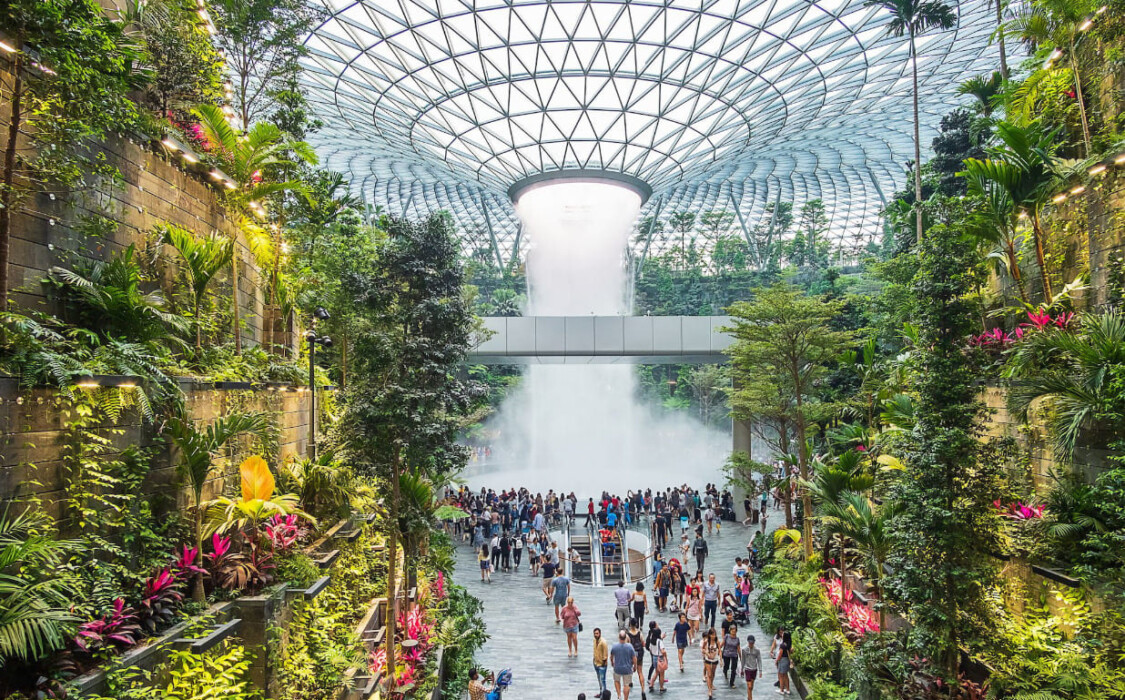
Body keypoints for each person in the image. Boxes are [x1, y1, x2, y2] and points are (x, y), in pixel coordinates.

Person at [611, 630, 637, 700]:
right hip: (627, 668)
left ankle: (619, 695)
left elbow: (611, 656)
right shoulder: (630, 646)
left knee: (616, 681)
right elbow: (634, 658)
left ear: (618, 637)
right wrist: (635, 666)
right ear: (626, 637)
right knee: (626, 684)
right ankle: (626, 698)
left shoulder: (614, 646)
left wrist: (612, 662)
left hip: (617, 667)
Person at [645, 620, 668, 693]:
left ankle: (651, 684)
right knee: (661, 674)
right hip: (660, 658)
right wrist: (665, 657)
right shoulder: (659, 641)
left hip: (654, 657)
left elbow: (650, 649)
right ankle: (661, 687)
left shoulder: (652, 641)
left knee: (656, 672)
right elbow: (663, 651)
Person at [701, 627, 721, 700]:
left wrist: (721, 660)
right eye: (712, 635)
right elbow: (702, 649)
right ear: (709, 635)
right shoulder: (706, 641)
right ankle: (709, 690)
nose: (713, 636)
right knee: (709, 674)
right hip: (708, 659)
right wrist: (706, 653)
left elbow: (719, 650)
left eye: (714, 635)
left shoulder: (717, 641)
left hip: (715, 659)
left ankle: (711, 684)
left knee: (713, 674)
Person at [741, 635, 763, 700]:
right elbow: (743, 660)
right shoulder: (744, 649)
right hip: (747, 669)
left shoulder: (757, 650)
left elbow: (759, 660)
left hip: (754, 669)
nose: (751, 644)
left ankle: (749, 696)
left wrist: (760, 670)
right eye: (750, 643)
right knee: (749, 686)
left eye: (752, 643)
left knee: (751, 686)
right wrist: (742, 669)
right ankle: (750, 698)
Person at [721, 623, 740, 688]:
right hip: (726, 653)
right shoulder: (727, 636)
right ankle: (725, 671)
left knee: (733, 669)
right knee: (726, 666)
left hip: (734, 654)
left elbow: (738, 648)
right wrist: (718, 649)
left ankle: (732, 682)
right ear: (730, 631)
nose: (733, 632)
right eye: (732, 630)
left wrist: (740, 656)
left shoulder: (737, 639)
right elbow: (722, 643)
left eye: (735, 630)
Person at [593, 627, 610, 695]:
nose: (595, 635)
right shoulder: (594, 640)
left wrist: (604, 663)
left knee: (602, 680)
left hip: (602, 664)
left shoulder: (603, 642)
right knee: (599, 680)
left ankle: (604, 695)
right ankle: (601, 692)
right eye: (594, 633)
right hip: (596, 663)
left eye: (597, 633)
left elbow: (605, 654)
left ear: (600, 633)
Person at [776, 631, 792, 695]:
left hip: (782, 661)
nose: (782, 635)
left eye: (783, 634)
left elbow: (780, 654)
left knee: (781, 675)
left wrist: (776, 660)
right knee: (785, 675)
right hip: (787, 660)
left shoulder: (782, 645)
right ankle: (788, 690)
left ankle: (781, 690)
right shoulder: (789, 644)